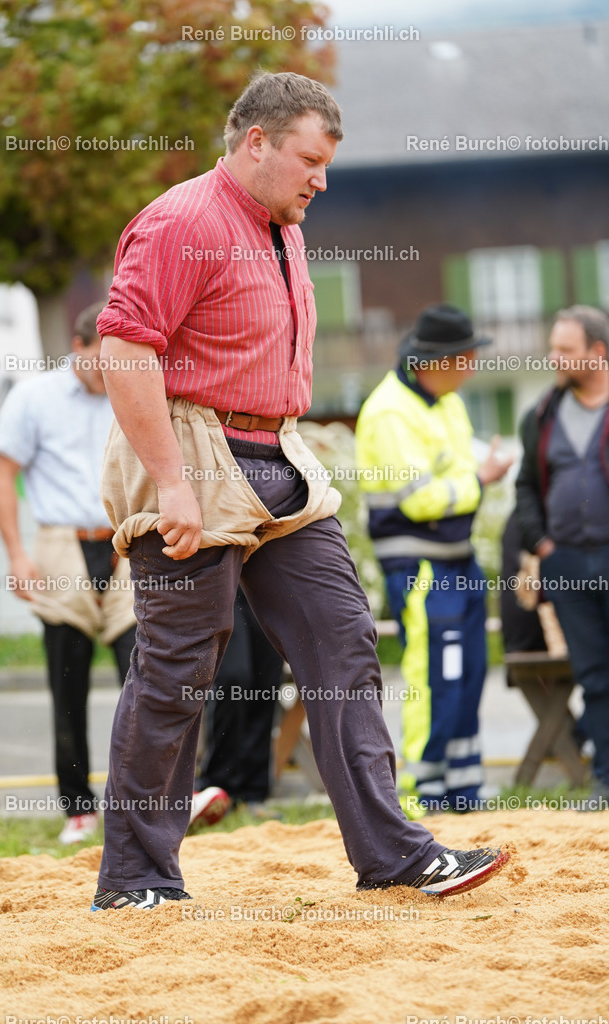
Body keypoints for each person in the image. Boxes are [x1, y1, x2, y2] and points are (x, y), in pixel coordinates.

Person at [90, 72, 510, 911]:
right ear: (256, 143)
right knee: (177, 668)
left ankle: (392, 852)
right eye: (309, 161)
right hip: (192, 446)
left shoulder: (282, 224)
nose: (321, 180)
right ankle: (135, 879)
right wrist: (170, 481)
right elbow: (125, 350)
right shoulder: (181, 222)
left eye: (326, 165)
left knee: (343, 642)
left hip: (275, 451)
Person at [355, 305, 512, 814]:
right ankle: (421, 795)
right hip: (419, 568)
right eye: (466, 358)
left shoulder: (447, 403)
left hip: (459, 559)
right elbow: (420, 499)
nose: (471, 368)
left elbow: (455, 478)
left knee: (468, 672)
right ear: (436, 361)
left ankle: (463, 790)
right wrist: (479, 481)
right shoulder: (390, 411)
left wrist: (469, 481)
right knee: (430, 676)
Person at [0, 303, 137, 844]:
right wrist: (15, 555)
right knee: (67, 683)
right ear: (78, 348)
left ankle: (148, 801)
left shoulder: (134, 387)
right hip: (60, 545)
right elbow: (3, 477)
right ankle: (78, 807)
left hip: (126, 545)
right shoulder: (34, 398)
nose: (110, 370)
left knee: (145, 679)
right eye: (102, 360)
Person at [516, 305, 609, 806]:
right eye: (554, 347)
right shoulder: (543, 415)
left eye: (565, 350)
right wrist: (542, 543)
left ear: (597, 352)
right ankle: (605, 783)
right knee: (593, 675)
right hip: (568, 563)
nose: (555, 357)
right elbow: (526, 487)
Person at [196, 587, 283, 818]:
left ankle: (253, 794)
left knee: (266, 684)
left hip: (267, 575)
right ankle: (217, 788)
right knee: (233, 679)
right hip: (222, 574)